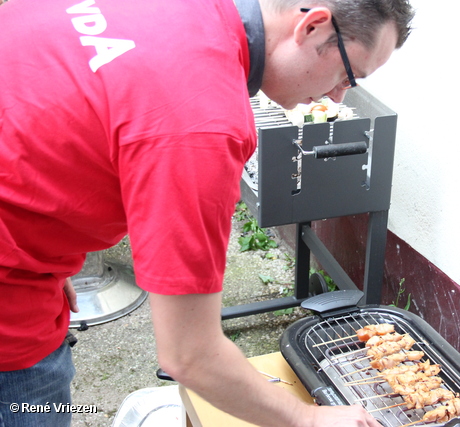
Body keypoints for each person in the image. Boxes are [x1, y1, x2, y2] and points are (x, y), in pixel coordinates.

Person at [0, 0, 414, 425]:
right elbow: (190, 355)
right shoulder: (201, 123)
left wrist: (45, 241)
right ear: (311, 26)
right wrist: (309, 419)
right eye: (347, 75)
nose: (338, 94)